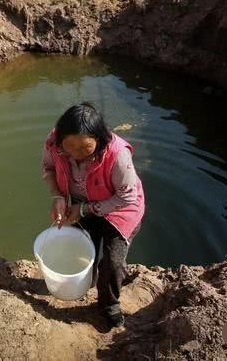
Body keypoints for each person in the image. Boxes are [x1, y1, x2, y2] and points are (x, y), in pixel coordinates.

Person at [41, 102, 145, 328]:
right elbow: (48, 168)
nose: (76, 154)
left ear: (99, 140)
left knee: (112, 262)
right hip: (81, 203)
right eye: (69, 146)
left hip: (120, 211)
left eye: (85, 147)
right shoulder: (53, 143)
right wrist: (57, 197)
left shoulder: (117, 155)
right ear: (60, 139)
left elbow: (126, 198)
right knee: (84, 247)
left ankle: (109, 304)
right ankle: (88, 281)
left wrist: (85, 209)